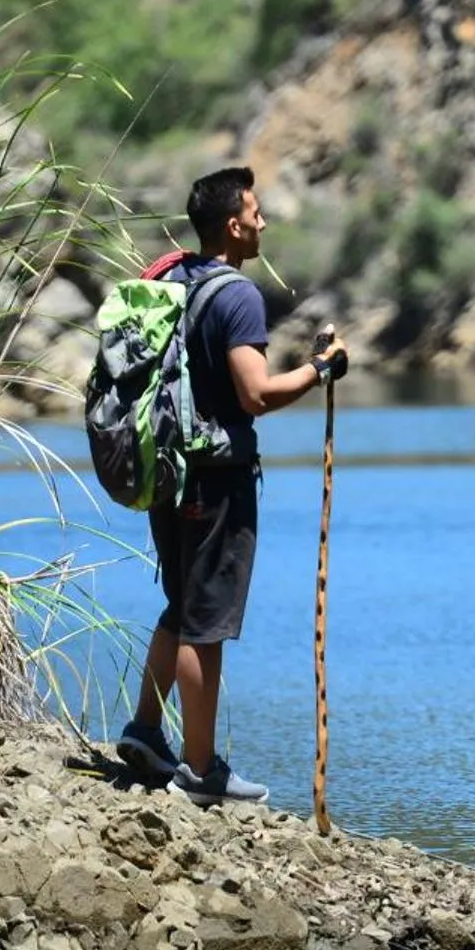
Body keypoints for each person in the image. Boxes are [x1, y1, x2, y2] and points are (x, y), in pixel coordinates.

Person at [115, 165, 348, 805]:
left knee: (182, 606)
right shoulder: (237, 295)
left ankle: (145, 731)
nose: (263, 221)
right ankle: (200, 771)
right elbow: (256, 394)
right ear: (232, 225)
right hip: (215, 482)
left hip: (168, 471)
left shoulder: (173, 279)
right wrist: (321, 369)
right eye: (255, 212)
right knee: (206, 623)